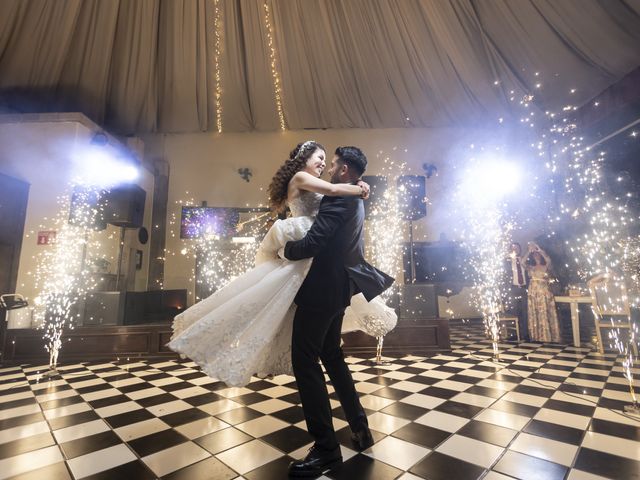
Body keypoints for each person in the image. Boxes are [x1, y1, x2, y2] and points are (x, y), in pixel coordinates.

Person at [168, 141, 396, 388]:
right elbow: (331, 190)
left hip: (319, 255)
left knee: (314, 338)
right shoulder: (300, 177)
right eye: (320, 157)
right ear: (304, 158)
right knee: (313, 340)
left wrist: (356, 186)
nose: (323, 163)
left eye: (327, 160)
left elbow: (331, 193)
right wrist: (360, 188)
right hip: (308, 242)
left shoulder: (318, 183)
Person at [283, 146, 394, 477]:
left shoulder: (338, 197)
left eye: (333, 164)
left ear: (345, 170)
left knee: (304, 361)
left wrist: (283, 249)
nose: (329, 168)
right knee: (331, 355)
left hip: (321, 288)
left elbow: (315, 242)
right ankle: (360, 426)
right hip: (340, 288)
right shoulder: (355, 196)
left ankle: (327, 449)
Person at [525, 242, 561, 343]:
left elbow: (548, 260)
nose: (536, 256)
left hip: (544, 292)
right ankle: (537, 336)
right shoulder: (531, 268)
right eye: (535, 255)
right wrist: (529, 251)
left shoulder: (546, 266)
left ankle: (547, 336)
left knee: (545, 311)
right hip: (533, 293)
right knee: (535, 312)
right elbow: (523, 262)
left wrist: (539, 249)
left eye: (538, 255)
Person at [504, 242, 529, 341]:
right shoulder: (507, 261)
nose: (515, 250)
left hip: (524, 287)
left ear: (520, 249)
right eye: (513, 248)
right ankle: (514, 333)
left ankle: (526, 334)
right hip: (513, 288)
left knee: (525, 311)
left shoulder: (524, 260)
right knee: (514, 311)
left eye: (517, 248)